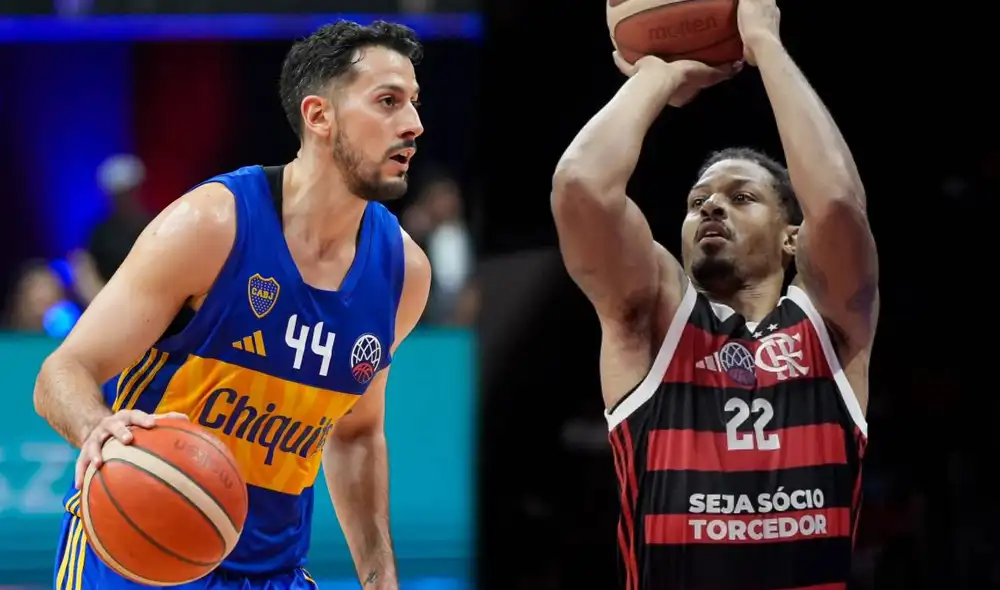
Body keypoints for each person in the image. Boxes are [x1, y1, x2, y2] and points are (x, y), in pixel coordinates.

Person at [33, 19, 431, 590]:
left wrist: (379, 576)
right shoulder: (211, 225)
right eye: (388, 102)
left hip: (270, 572)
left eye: (414, 103)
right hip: (135, 558)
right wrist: (98, 427)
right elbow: (61, 372)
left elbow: (356, 433)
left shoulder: (403, 273)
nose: (414, 125)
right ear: (319, 116)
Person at [550, 1, 877, 589]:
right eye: (698, 202)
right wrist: (659, 75)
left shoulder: (830, 324)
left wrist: (765, 44)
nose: (712, 208)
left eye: (741, 198)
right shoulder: (653, 320)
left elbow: (836, 204)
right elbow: (581, 187)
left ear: (790, 238)